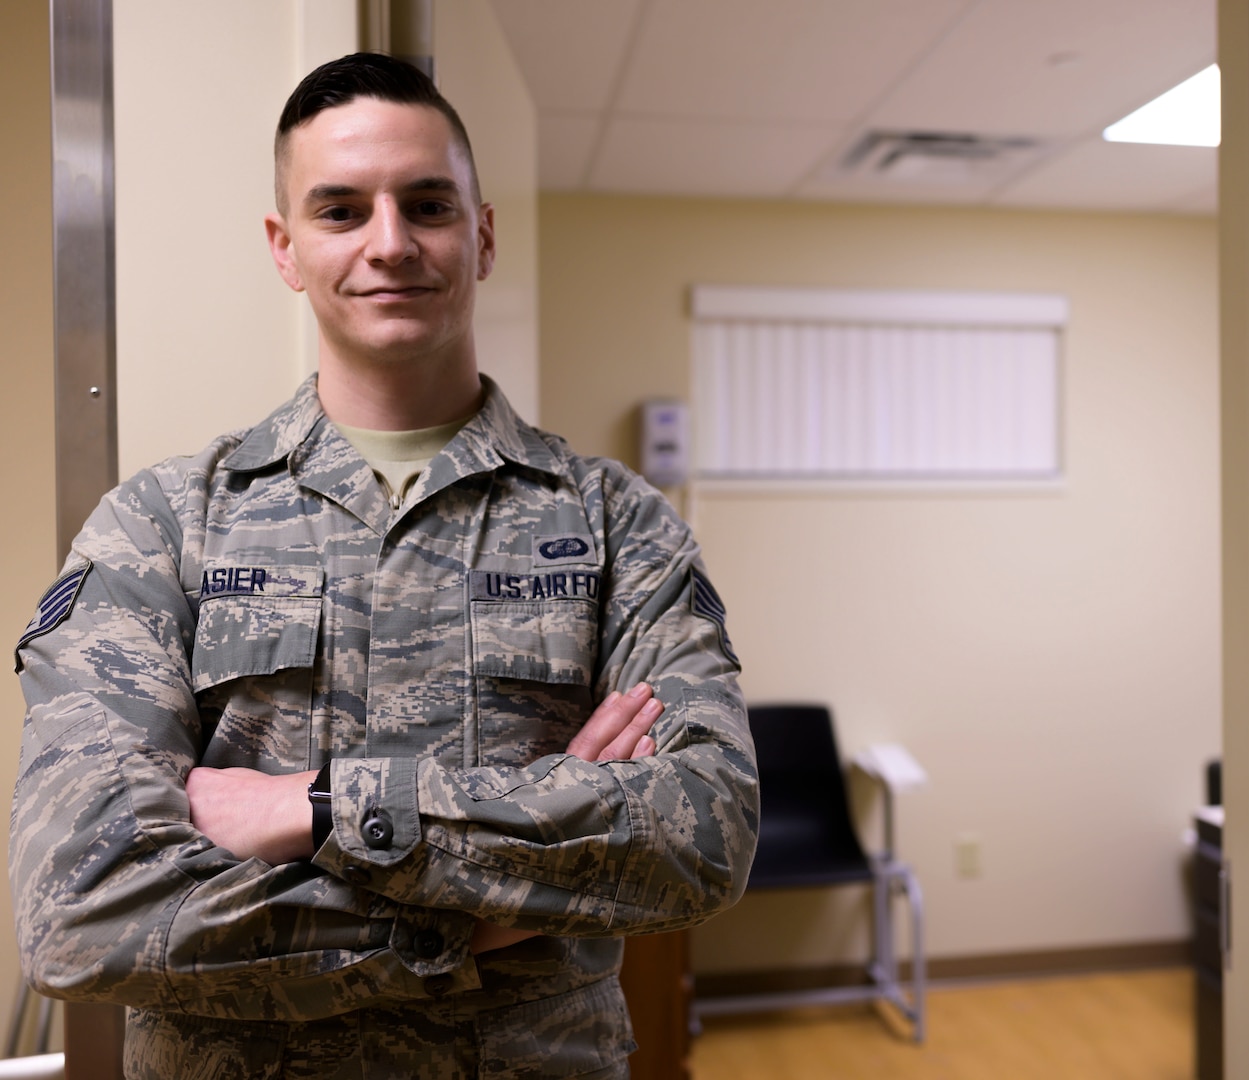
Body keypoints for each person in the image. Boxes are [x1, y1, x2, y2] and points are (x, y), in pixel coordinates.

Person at [10, 52, 757, 1079]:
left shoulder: (618, 526)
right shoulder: (160, 526)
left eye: (428, 204)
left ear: (482, 233)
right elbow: (83, 910)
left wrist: (310, 807)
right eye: (340, 209)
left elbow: (700, 837)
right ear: (285, 247)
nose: (391, 243)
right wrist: (460, 928)